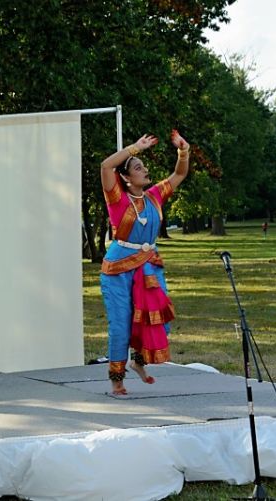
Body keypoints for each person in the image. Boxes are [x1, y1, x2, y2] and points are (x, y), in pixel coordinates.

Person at [99, 131, 190, 395]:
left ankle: (138, 361)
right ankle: (117, 379)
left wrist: (183, 151)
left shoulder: (153, 196)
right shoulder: (116, 197)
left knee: (160, 319)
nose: (145, 170)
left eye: (144, 166)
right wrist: (135, 148)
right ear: (126, 178)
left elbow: (179, 174)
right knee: (121, 325)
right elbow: (106, 166)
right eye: (138, 168)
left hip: (149, 266)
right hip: (118, 270)